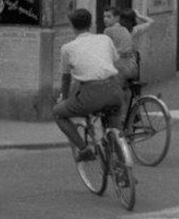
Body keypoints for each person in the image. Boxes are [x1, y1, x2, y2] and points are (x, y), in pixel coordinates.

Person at [51, 8, 125, 159]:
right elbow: (113, 61)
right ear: (91, 24)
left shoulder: (67, 48)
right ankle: (123, 167)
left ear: (71, 26)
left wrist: (64, 98)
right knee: (115, 127)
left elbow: (66, 78)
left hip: (91, 94)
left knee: (58, 113)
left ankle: (84, 149)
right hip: (114, 89)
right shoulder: (105, 39)